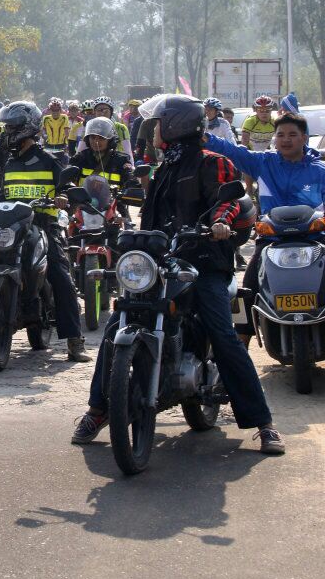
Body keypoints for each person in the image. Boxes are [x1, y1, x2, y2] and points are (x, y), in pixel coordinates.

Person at [72, 94, 284, 455]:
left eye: (157, 124)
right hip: (163, 262)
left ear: (174, 126)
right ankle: (99, 409)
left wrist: (220, 222)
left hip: (205, 262)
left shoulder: (213, 162)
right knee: (115, 325)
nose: (152, 131)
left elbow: (227, 200)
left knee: (222, 332)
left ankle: (263, 423)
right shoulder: (163, 168)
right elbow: (151, 217)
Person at [0, 101, 91, 362]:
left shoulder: (49, 160)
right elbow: (2, 194)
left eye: (11, 128)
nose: (6, 133)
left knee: (60, 274)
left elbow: (67, 188)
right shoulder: (9, 163)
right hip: (13, 227)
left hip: (44, 225)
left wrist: (63, 197)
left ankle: (74, 339)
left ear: (26, 129)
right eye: (6, 128)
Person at [204, 111, 325, 293]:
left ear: (304, 138)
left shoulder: (320, 171)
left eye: (292, 134)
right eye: (280, 135)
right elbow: (232, 150)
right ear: (274, 138)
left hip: (315, 239)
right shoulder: (263, 163)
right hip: (271, 240)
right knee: (249, 289)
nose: (286, 140)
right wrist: (203, 137)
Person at [41, 97, 70, 166]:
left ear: (60, 110)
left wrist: (67, 144)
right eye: (53, 110)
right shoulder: (46, 118)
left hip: (61, 145)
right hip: (48, 145)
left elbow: (66, 132)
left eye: (57, 110)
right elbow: (42, 131)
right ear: (50, 110)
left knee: (63, 165)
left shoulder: (64, 117)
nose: (55, 112)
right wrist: (43, 139)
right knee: (48, 165)